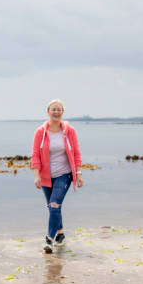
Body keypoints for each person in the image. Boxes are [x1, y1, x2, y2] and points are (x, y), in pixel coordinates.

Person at [31, 100, 84, 253]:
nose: (56, 112)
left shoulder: (69, 131)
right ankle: (60, 234)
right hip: (46, 176)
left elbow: (76, 153)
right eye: (53, 109)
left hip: (64, 174)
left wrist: (78, 174)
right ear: (48, 112)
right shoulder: (40, 132)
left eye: (59, 109)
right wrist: (36, 176)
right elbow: (35, 155)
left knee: (54, 204)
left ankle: (49, 239)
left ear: (62, 112)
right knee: (52, 207)